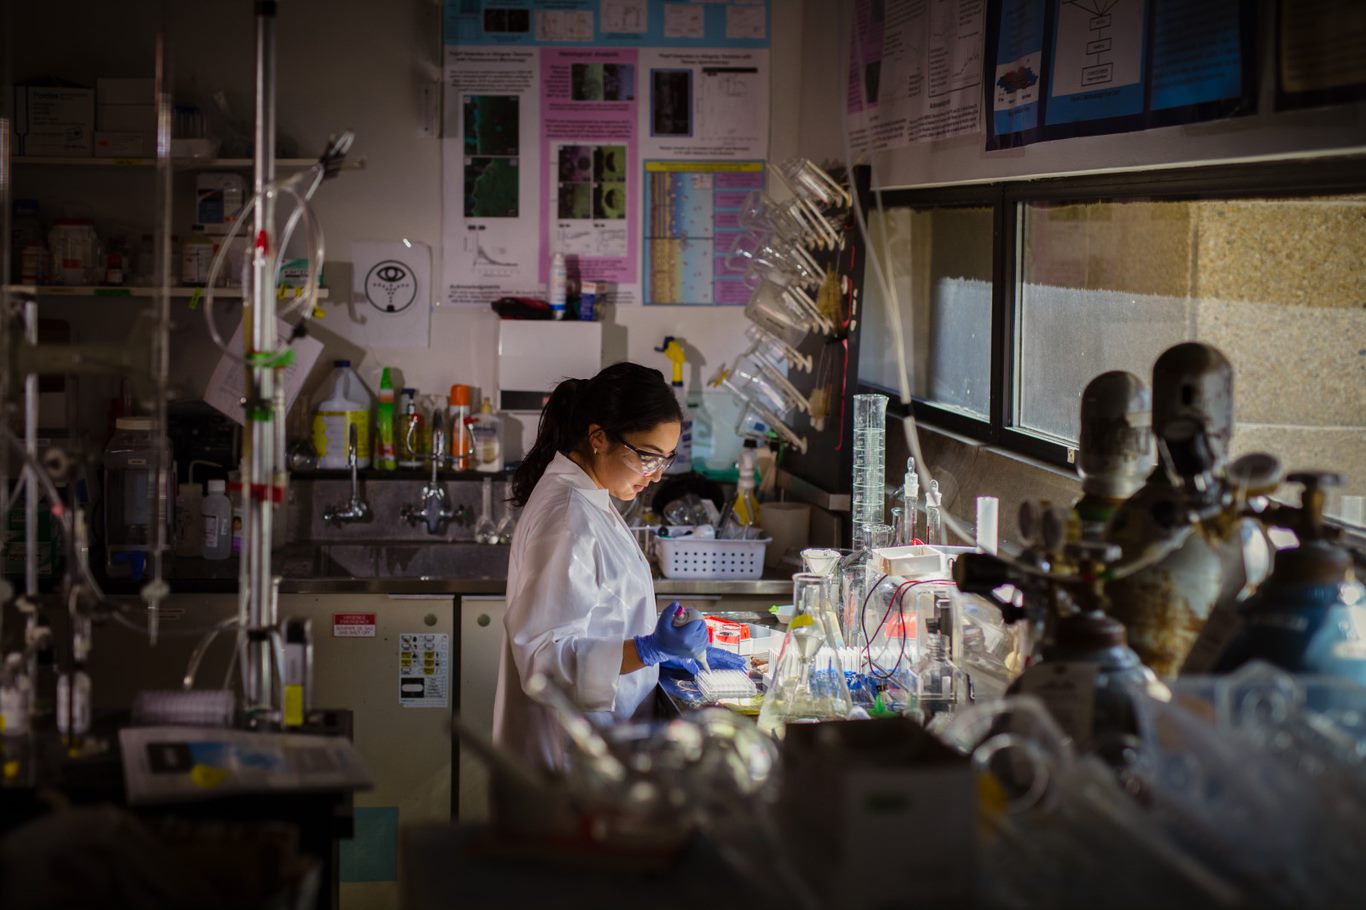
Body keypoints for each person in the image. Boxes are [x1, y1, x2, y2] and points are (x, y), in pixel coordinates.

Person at [493, 362, 743, 771]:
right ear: (597, 438)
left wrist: (659, 655)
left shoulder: (589, 493)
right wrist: (649, 650)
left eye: (665, 459)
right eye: (647, 457)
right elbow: (543, 661)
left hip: (598, 742)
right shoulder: (569, 516)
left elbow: (601, 616)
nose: (656, 476)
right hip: (569, 756)